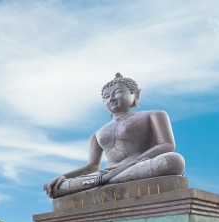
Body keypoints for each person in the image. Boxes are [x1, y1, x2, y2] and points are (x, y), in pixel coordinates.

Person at [44, 73, 185, 198]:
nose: (110, 99)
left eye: (117, 92)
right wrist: (65, 176)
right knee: (57, 188)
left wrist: (128, 164)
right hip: (105, 173)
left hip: (137, 166)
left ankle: (103, 182)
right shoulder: (97, 134)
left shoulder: (154, 115)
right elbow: (92, 166)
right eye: (106, 97)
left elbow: (167, 145)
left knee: (173, 161)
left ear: (135, 94)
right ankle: (104, 180)